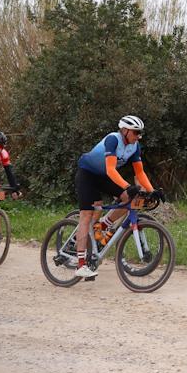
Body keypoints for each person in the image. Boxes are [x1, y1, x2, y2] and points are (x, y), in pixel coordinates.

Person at [73, 116, 162, 279]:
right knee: (86, 215)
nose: (138, 136)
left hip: (104, 176)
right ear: (125, 131)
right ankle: (81, 265)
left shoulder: (135, 146)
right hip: (88, 174)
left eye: (140, 133)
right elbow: (111, 170)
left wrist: (152, 190)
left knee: (131, 199)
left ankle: (103, 225)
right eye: (136, 133)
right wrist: (128, 186)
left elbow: (140, 173)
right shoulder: (113, 140)